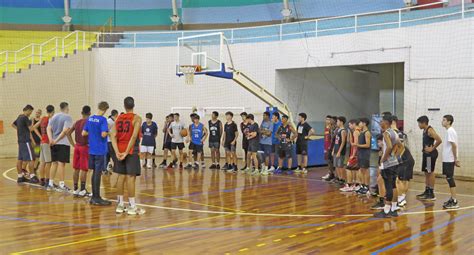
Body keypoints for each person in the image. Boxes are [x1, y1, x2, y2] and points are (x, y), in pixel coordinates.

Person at [111, 97, 145, 215]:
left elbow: (113, 135)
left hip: (119, 150)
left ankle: (120, 205)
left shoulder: (118, 118)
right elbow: (134, 136)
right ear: (133, 105)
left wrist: (116, 151)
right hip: (131, 151)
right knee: (131, 178)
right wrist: (126, 151)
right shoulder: (137, 118)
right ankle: (132, 206)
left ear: (124, 106)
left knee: (121, 176)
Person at [374, 115, 404, 218]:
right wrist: (395, 156)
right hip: (394, 163)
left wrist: (384, 158)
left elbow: (390, 147)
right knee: (393, 186)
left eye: (381, 121)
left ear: (386, 122)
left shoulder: (386, 133)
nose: (380, 122)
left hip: (388, 164)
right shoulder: (394, 132)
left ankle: (386, 210)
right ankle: (394, 209)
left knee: (388, 186)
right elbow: (401, 146)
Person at [82, 101, 111, 205]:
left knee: (94, 172)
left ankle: (94, 197)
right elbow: (103, 134)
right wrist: (109, 131)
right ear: (105, 109)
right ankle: (96, 197)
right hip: (100, 150)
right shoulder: (103, 119)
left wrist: (93, 133)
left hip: (92, 150)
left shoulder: (90, 118)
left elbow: (84, 132)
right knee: (97, 173)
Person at [47, 102, 74, 192]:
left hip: (54, 143)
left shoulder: (54, 116)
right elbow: (65, 131)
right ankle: (61, 184)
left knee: (54, 163)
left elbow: (48, 128)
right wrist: (56, 140)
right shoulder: (68, 117)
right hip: (62, 143)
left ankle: (50, 183)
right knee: (61, 164)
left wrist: (51, 139)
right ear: (66, 108)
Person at [417, 115, 442, 201]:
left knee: (430, 172)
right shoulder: (424, 130)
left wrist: (432, 148)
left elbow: (439, 140)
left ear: (424, 123)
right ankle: (427, 191)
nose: (418, 125)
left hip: (430, 155)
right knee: (427, 172)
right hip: (426, 154)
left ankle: (431, 193)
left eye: (419, 123)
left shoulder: (430, 130)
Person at [69, 105, 91, 197]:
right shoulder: (89, 122)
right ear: (89, 113)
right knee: (84, 169)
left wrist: (73, 144)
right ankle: (82, 189)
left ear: (82, 113)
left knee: (76, 168)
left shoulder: (77, 122)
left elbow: (68, 133)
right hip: (84, 147)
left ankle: (75, 189)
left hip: (77, 146)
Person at [12, 105, 38, 183]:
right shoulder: (25, 118)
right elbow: (31, 129)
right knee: (31, 159)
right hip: (26, 141)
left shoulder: (19, 117)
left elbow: (13, 124)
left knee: (20, 159)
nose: (31, 113)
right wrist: (38, 122)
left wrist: (21, 130)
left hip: (20, 141)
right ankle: (32, 176)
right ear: (27, 110)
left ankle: (20, 177)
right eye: (30, 111)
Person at [441, 115, 460, 209]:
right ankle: (453, 198)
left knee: (450, 178)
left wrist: (456, 158)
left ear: (449, 122)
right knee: (449, 178)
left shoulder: (450, 131)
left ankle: (455, 200)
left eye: (444, 120)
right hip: (447, 159)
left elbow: (454, 145)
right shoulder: (449, 131)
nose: (442, 121)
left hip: (450, 159)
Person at [34, 105, 55, 188]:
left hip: (41, 142)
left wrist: (40, 136)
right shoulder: (50, 120)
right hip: (47, 142)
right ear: (52, 112)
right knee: (48, 162)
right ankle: (47, 180)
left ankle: (41, 180)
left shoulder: (42, 118)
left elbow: (34, 127)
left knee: (42, 162)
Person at [340, 119, 360, 192]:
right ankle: (355, 185)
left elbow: (355, 145)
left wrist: (353, 155)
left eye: (349, 125)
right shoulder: (356, 131)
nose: (349, 126)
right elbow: (350, 142)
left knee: (348, 169)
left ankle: (349, 185)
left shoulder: (356, 132)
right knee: (355, 170)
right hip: (356, 154)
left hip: (355, 154)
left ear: (353, 124)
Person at [355, 117, 372, 195]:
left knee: (365, 170)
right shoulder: (361, 132)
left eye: (361, 123)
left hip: (365, 154)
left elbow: (368, 145)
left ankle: (367, 186)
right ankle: (362, 185)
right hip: (360, 153)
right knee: (361, 170)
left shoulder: (367, 133)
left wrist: (357, 145)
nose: (359, 124)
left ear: (364, 123)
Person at [332, 116, 347, 186]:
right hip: (336, 149)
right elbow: (336, 141)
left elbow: (343, 142)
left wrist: (339, 151)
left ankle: (342, 179)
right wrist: (333, 150)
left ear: (341, 122)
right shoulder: (337, 130)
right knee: (336, 165)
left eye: (337, 121)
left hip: (340, 151)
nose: (337, 123)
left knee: (340, 165)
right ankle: (338, 177)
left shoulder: (343, 131)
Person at [322, 115, 335, 181]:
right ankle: (330, 172)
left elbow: (332, 138)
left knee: (330, 161)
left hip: (330, 146)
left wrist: (331, 147)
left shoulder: (331, 128)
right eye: (326, 119)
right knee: (327, 160)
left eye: (328, 119)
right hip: (326, 145)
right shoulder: (326, 127)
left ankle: (332, 173)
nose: (327, 121)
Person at [105, 109, 118, 174]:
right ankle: (115, 168)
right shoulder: (109, 121)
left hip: (111, 141)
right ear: (116, 114)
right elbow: (105, 130)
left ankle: (106, 168)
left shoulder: (114, 121)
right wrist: (111, 134)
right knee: (112, 155)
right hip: (109, 141)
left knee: (109, 155)